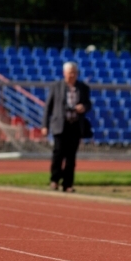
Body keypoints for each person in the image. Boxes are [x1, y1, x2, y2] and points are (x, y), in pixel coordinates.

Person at [41, 62, 92, 192]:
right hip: (60, 125)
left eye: (75, 73)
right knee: (58, 154)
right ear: (65, 73)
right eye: (70, 73)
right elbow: (48, 107)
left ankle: (68, 184)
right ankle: (54, 180)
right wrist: (45, 125)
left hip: (75, 126)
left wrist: (84, 107)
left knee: (71, 156)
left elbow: (88, 104)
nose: (72, 75)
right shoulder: (56, 86)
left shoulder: (83, 88)